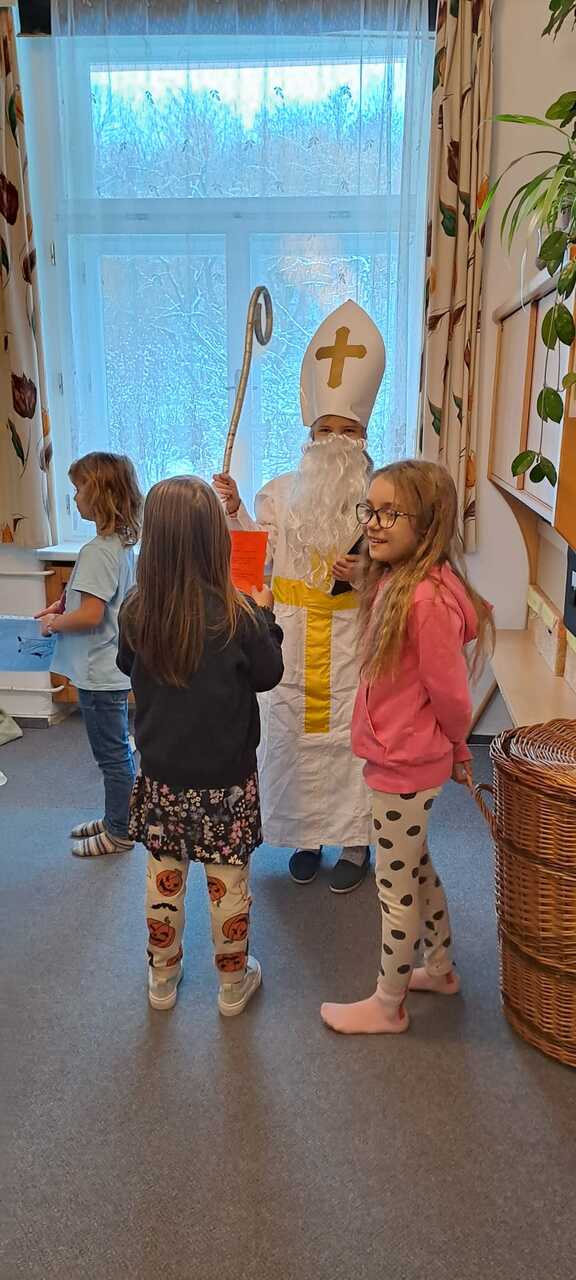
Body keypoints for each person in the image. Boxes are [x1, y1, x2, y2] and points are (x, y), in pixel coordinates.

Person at [214, 299, 385, 894]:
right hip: (290, 637)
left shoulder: (382, 497)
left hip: (353, 643)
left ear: (364, 435)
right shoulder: (279, 494)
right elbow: (253, 558)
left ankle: (356, 842)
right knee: (292, 741)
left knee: (352, 743)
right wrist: (234, 509)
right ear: (309, 434)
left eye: (348, 430)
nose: (336, 440)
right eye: (326, 430)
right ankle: (307, 839)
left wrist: (365, 573)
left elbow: (405, 572)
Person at [320, 460, 494, 1035]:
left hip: (405, 765)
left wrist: (458, 747)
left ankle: (387, 1004)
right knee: (415, 868)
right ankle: (440, 969)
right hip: (404, 756)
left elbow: (453, 697)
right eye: (369, 510)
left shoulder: (424, 600)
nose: (372, 523)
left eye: (390, 513)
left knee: (394, 890)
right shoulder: (401, 583)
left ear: (428, 523)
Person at [117, 476, 284, 1014]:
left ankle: (161, 977)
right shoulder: (240, 615)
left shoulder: (137, 610)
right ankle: (232, 983)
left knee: (163, 877)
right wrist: (267, 615)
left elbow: (125, 665)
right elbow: (269, 674)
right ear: (216, 540)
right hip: (225, 779)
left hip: (162, 774)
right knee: (227, 880)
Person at [37, 452, 142, 857]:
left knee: (112, 757)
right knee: (117, 751)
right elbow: (93, 598)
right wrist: (62, 605)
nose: (75, 496)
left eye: (79, 487)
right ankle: (119, 817)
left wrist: (55, 623)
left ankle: (120, 832)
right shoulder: (118, 545)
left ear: (100, 494)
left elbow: (93, 614)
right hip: (110, 667)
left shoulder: (99, 550)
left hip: (99, 673)